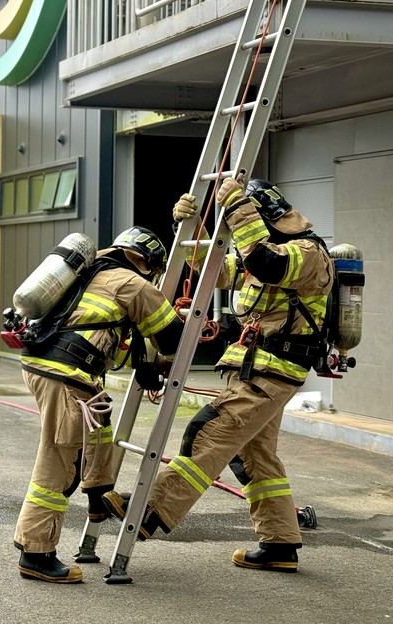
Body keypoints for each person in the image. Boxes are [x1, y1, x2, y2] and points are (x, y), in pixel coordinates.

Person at [103, 177, 334, 573]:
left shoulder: (307, 254)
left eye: (249, 222)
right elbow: (212, 268)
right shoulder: (264, 252)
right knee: (254, 456)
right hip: (254, 369)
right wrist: (189, 227)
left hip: (271, 373)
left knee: (207, 433)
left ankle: (148, 510)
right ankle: (280, 544)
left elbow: (266, 263)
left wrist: (237, 208)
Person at [14, 227, 184, 583]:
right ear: (147, 262)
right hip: (66, 375)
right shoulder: (134, 284)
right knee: (59, 463)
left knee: (99, 422)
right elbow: (173, 340)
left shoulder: (92, 271)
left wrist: (144, 361)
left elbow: (104, 334)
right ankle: (36, 552)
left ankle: (99, 495)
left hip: (50, 366)